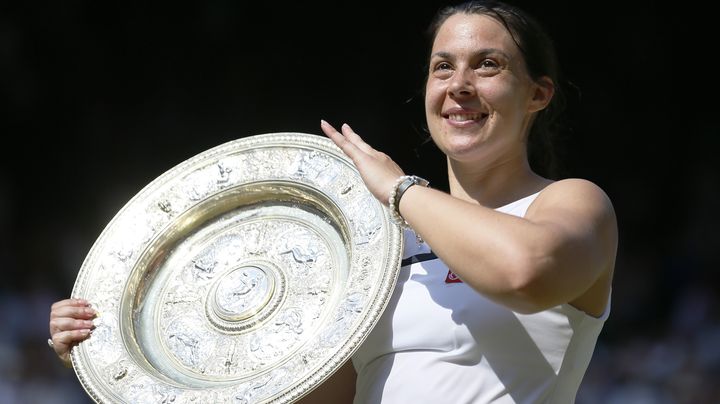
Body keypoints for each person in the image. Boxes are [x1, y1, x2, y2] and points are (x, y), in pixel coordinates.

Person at [49, 1, 617, 402]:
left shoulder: (569, 204)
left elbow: (526, 274)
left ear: (538, 93)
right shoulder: (385, 241)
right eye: (442, 67)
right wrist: (116, 347)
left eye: (486, 65)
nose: (459, 85)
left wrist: (398, 189)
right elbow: (313, 394)